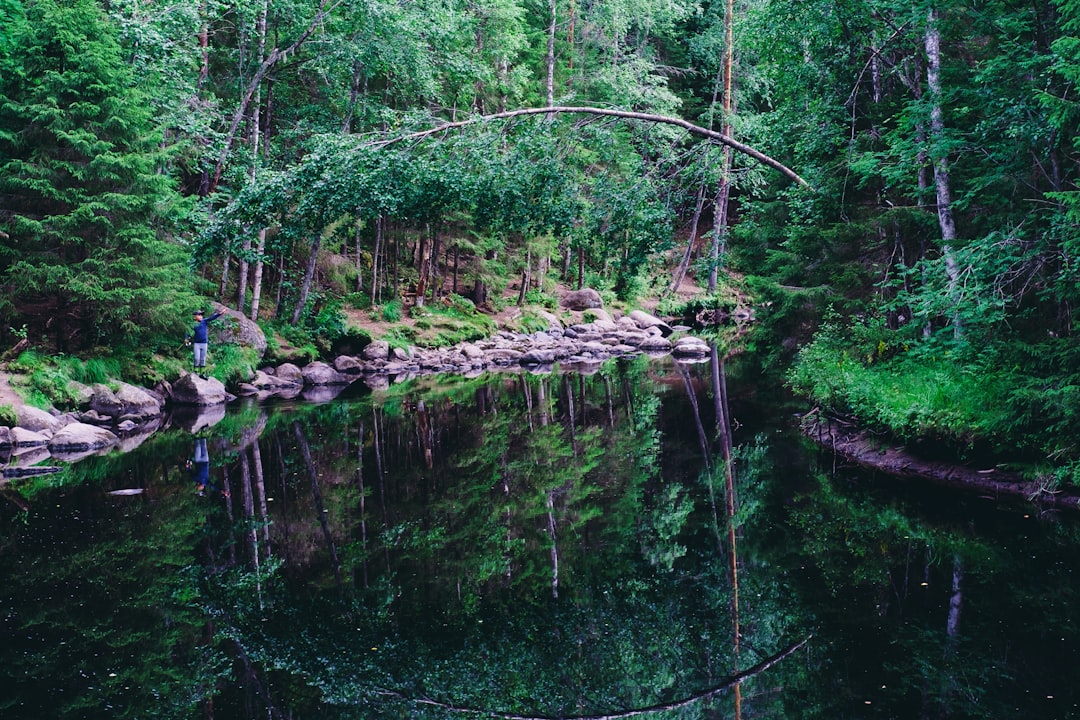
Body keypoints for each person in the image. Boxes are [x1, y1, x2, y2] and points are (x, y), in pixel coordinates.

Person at [185, 308, 225, 375]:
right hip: (197, 344)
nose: (201, 316)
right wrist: (186, 338)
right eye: (199, 315)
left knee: (203, 359)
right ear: (195, 317)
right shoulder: (193, 324)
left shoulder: (204, 321)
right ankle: (195, 371)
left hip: (204, 343)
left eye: (201, 315)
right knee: (196, 358)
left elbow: (212, 318)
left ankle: (202, 373)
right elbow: (188, 332)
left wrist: (220, 313)